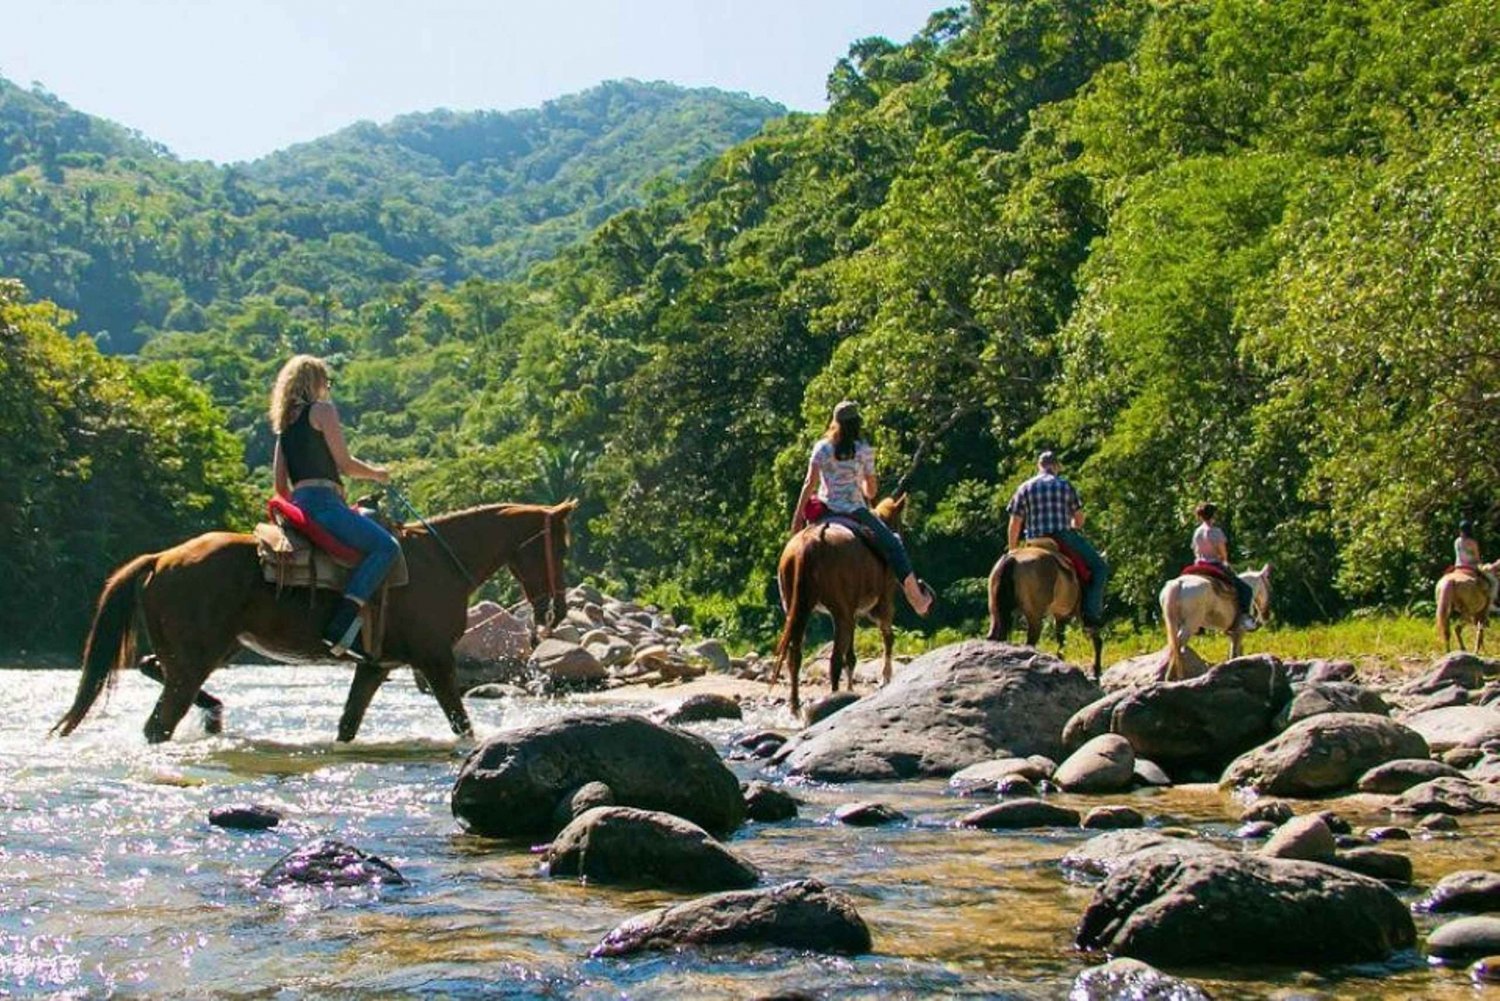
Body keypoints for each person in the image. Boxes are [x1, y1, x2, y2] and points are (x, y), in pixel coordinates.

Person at [269, 354, 398, 659]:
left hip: (301, 506)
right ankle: (342, 622)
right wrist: (378, 474)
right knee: (386, 547)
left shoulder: (284, 428)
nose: (327, 388)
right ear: (314, 382)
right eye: (325, 381)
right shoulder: (322, 411)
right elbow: (345, 465)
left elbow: (279, 487)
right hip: (326, 504)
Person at [790, 400, 933, 615]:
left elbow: (809, 484)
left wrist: (798, 517)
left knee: (795, 549)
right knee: (894, 544)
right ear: (857, 423)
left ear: (835, 422)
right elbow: (871, 492)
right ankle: (918, 600)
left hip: (824, 509)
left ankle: (789, 604)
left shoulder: (822, 447)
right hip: (854, 510)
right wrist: (863, 485)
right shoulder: (863, 450)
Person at [1005, 451, 1109, 626]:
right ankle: (1090, 615)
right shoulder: (1064, 485)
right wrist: (1073, 524)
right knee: (1099, 568)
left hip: (1034, 540)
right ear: (1056, 466)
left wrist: (1013, 550)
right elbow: (1079, 519)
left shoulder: (1024, 487)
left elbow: (1015, 524)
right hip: (1062, 537)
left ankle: (1017, 611)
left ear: (1039, 466)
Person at [1192, 502, 1258, 632]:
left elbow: (1195, 550)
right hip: (1214, 564)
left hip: (1199, 565)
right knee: (1245, 589)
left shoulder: (1197, 532)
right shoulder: (1216, 531)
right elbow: (1222, 553)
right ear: (1213, 515)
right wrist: (1225, 561)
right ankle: (1244, 618)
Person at [1455, 520, 1499, 611]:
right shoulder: (1472, 542)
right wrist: (1483, 565)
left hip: (1458, 566)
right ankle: (1490, 604)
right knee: (1494, 582)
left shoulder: (1457, 541)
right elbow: (1477, 558)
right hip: (1471, 567)